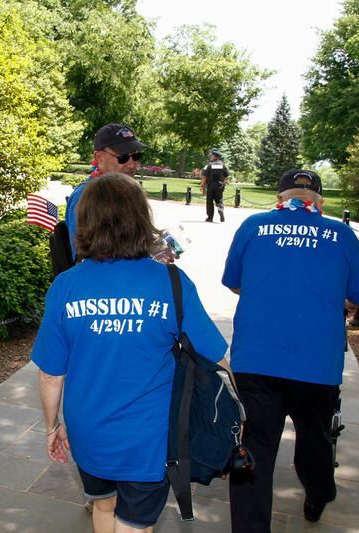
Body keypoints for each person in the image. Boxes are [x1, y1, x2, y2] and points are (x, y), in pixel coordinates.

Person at [32, 173, 228, 533]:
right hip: (148, 438)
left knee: (103, 506)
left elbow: (50, 373)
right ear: (141, 218)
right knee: (135, 522)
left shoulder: (65, 286)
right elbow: (214, 356)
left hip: (89, 432)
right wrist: (235, 412)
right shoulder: (170, 281)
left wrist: (51, 427)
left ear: (86, 222)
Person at [222, 169, 359, 532]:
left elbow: (234, 283)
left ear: (280, 197)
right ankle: (318, 494)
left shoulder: (253, 227)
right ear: (319, 200)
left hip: (257, 358)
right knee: (315, 435)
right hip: (316, 361)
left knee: (254, 447)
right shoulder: (342, 234)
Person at [66, 123, 146, 258]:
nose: (132, 165)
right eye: (123, 157)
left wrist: (153, 251)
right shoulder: (85, 196)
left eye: (136, 156)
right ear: (99, 158)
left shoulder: (129, 194)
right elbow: (84, 257)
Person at [200, 150, 229, 222]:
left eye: (212, 155)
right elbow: (226, 176)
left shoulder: (209, 165)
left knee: (209, 201)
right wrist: (223, 184)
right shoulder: (223, 165)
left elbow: (204, 177)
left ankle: (210, 218)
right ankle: (220, 209)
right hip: (219, 185)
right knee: (219, 200)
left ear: (215, 157)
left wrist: (202, 185)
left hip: (210, 185)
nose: (210, 156)